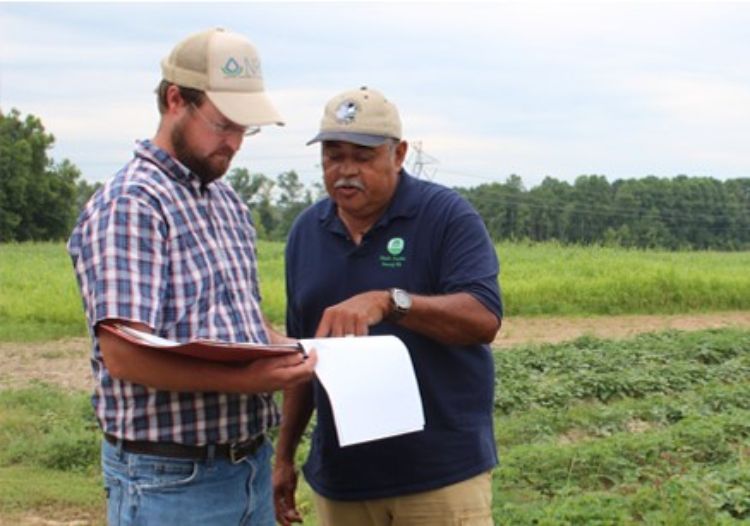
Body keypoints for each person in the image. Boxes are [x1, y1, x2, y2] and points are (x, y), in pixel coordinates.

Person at [67, 28, 316, 526]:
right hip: (170, 479)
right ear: (176, 100)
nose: (235, 144)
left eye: (246, 130)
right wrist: (248, 380)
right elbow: (123, 353)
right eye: (224, 125)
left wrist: (290, 349)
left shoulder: (225, 202)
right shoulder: (133, 203)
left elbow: (239, 320)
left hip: (248, 465)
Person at [273, 86, 503, 526]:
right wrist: (283, 458)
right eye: (333, 156)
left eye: (362, 157)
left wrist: (390, 302)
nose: (345, 171)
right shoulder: (306, 232)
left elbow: (484, 318)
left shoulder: (445, 216)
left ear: (398, 154)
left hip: (439, 477)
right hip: (343, 480)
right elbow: (302, 357)